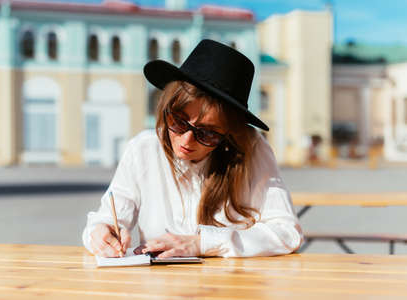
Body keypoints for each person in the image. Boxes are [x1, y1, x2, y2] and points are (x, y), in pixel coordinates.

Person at [83, 39, 303, 258]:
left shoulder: (251, 149)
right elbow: (106, 219)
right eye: (178, 121)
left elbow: (287, 233)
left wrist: (203, 243)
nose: (186, 141)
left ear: (228, 134)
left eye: (206, 133)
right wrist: (101, 232)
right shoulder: (144, 149)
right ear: (166, 109)